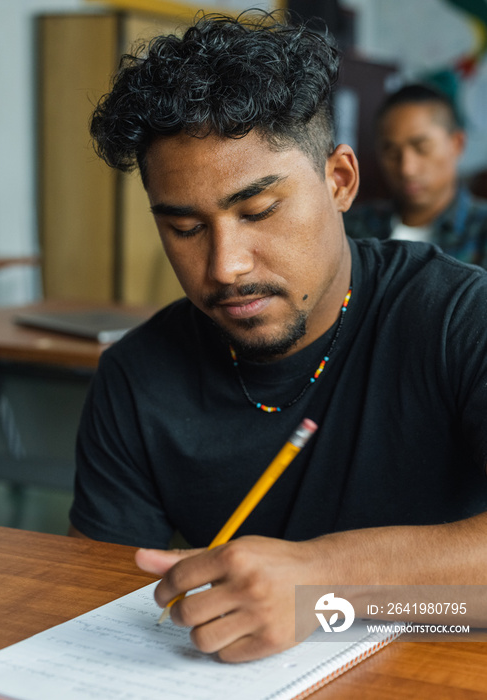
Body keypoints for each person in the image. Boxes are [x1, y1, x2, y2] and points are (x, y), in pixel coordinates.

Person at [68, 11, 487, 663]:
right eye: (183, 228)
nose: (224, 266)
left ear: (339, 181)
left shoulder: (458, 316)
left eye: (258, 211)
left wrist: (326, 590)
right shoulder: (135, 379)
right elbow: (108, 615)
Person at [344, 83, 487, 267]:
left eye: (422, 149)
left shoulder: (481, 233)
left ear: (457, 144)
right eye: (392, 153)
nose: (406, 169)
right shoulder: (354, 226)